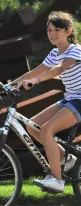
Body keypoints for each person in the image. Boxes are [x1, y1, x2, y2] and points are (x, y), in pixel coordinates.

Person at [11, 11, 81, 193]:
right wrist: (9, 85)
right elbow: (36, 70)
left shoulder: (75, 50)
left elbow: (59, 69)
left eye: (57, 30)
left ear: (68, 31)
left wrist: (35, 81)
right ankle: (67, 159)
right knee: (32, 126)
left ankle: (57, 180)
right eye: (49, 30)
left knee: (47, 130)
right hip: (70, 98)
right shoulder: (54, 53)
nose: (52, 34)